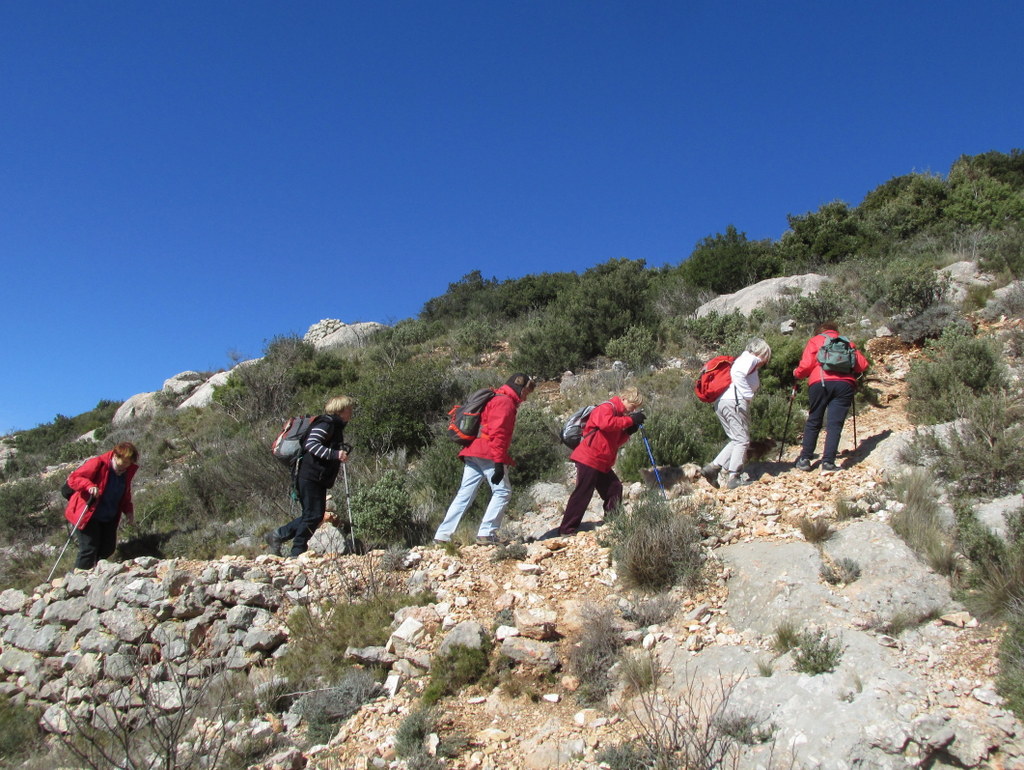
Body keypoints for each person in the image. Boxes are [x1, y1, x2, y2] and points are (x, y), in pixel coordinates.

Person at [434, 373, 536, 545]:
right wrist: (498, 462)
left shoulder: (495, 397)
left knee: (464, 495)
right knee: (502, 492)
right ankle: (487, 533)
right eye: (527, 391)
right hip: (487, 453)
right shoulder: (505, 403)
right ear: (519, 387)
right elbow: (498, 434)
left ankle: (442, 536)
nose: (526, 397)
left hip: (473, 451)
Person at [265, 395, 354, 557]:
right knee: (313, 515)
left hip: (315, 476)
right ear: (341, 410)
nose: (351, 412)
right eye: (349, 408)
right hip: (310, 475)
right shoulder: (327, 424)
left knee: (314, 514)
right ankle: (297, 551)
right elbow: (311, 445)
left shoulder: (334, 426)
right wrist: (335, 454)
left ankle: (277, 535)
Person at [558, 387, 645, 536]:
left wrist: (628, 432)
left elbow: (615, 441)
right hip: (589, 457)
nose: (633, 410)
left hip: (601, 461)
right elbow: (606, 424)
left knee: (615, 488)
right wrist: (630, 420)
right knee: (583, 492)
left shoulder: (619, 416)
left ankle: (613, 520)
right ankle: (566, 529)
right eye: (633, 405)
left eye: (636, 408)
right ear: (624, 399)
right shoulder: (606, 408)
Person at [792, 323, 869, 472]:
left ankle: (804, 459)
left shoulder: (815, 340)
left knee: (814, 420)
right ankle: (828, 463)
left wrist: (797, 373)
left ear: (819, 331)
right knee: (835, 424)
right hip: (845, 384)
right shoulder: (846, 342)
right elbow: (862, 365)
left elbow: (807, 365)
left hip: (819, 382)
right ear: (835, 330)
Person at [701, 338, 772, 490]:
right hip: (735, 401)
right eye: (766, 355)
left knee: (736, 439)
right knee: (742, 440)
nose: (766, 360)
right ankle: (734, 477)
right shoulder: (750, 358)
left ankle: (713, 468)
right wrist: (748, 396)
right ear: (762, 352)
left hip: (722, 402)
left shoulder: (742, 359)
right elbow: (738, 373)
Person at [64, 442, 139, 570]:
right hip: (88, 513)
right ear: (115, 456)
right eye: (124, 462)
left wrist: (128, 511)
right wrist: (89, 486)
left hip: (108, 515)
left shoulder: (126, 472)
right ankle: (77, 581)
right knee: (89, 549)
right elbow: (74, 478)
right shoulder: (98, 463)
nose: (126, 465)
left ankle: (94, 572)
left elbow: (124, 494)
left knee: (108, 548)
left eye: (129, 462)